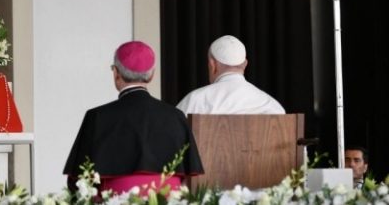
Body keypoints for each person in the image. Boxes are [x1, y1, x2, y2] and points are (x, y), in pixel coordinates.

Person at [64, 41, 204, 196]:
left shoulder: (97, 117)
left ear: (116, 73)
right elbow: (187, 179)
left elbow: (78, 182)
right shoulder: (176, 116)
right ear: (152, 75)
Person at [176, 35, 285, 115]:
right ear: (245, 64)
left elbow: (173, 134)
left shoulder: (195, 101)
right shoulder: (272, 106)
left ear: (212, 65)